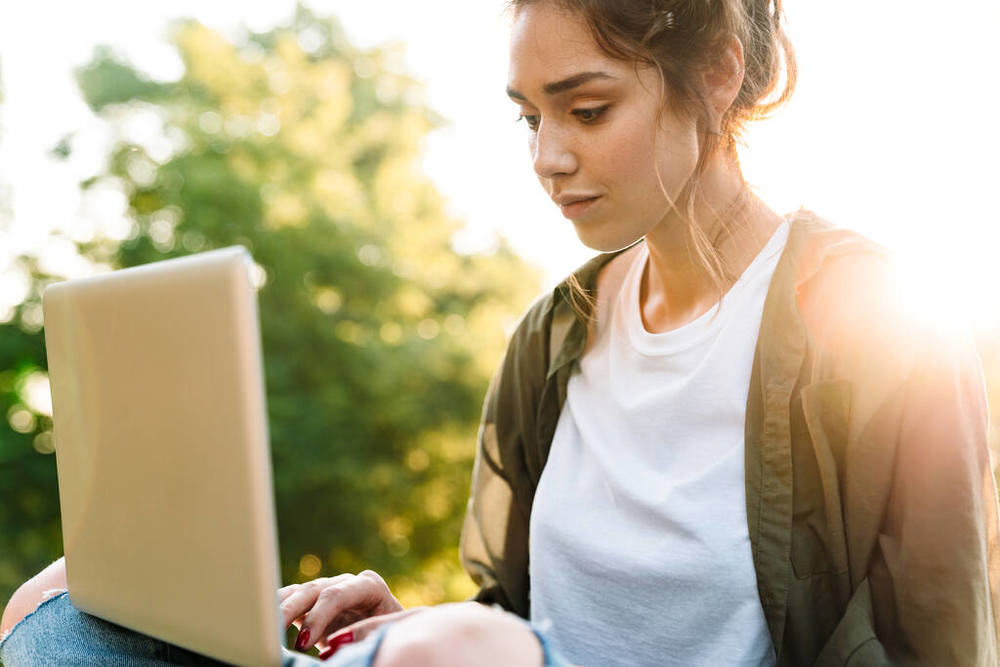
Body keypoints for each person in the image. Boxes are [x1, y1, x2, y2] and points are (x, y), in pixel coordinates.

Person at [3, 0, 999, 665]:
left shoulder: (868, 318)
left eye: (587, 108)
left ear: (718, 75)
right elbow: (522, 626)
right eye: (529, 117)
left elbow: (940, 634)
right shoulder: (556, 337)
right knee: (68, 602)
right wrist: (406, 629)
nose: (549, 157)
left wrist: (460, 650)